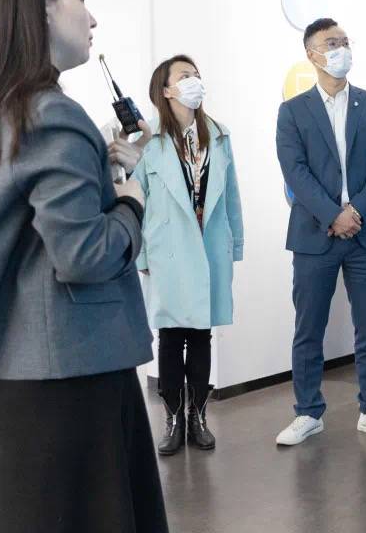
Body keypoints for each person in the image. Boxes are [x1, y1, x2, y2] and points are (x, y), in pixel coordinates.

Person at [0, 0, 166, 532]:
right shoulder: (51, 114)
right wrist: (130, 204)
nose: (92, 17)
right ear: (40, 9)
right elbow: (84, 255)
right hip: (66, 383)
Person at [275, 18, 366, 446]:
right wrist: (334, 214)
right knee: (308, 329)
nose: (341, 50)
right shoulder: (293, 111)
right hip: (315, 234)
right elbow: (295, 171)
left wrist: (356, 210)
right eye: (331, 43)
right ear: (311, 54)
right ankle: (307, 412)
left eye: (345, 42)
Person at [131, 55, 244, 455]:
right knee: (170, 335)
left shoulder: (219, 135)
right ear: (166, 90)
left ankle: (198, 416)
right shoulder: (148, 140)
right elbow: (137, 200)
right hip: (168, 251)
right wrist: (141, 256)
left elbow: (231, 196)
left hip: (208, 247)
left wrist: (235, 245)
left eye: (196, 74)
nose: (194, 80)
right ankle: (173, 418)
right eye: (184, 76)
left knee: (200, 335)